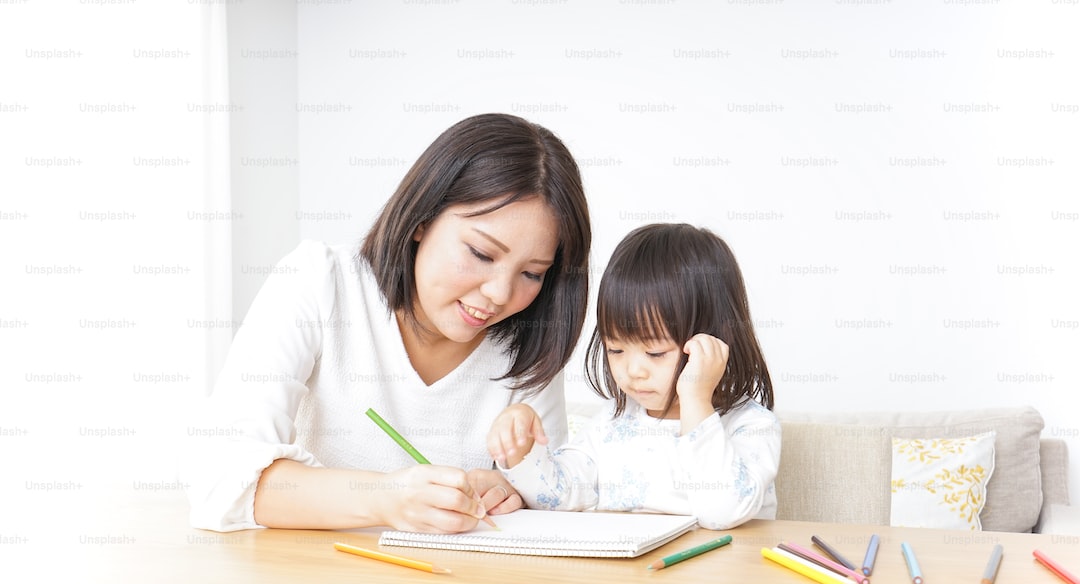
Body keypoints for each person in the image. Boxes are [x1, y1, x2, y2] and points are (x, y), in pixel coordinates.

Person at [183, 113, 591, 533]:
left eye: (532, 273)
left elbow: (554, 495)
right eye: (482, 254)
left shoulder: (529, 338)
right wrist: (384, 499)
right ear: (422, 220)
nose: (501, 294)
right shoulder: (320, 284)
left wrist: (512, 491)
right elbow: (219, 481)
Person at [487, 223, 779, 531]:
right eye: (616, 350)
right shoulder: (612, 426)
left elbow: (721, 513)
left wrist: (696, 398)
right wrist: (523, 450)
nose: (633, 371)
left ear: (712, 343)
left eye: (655, 353)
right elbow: (559, 495)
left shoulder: (751, 428)